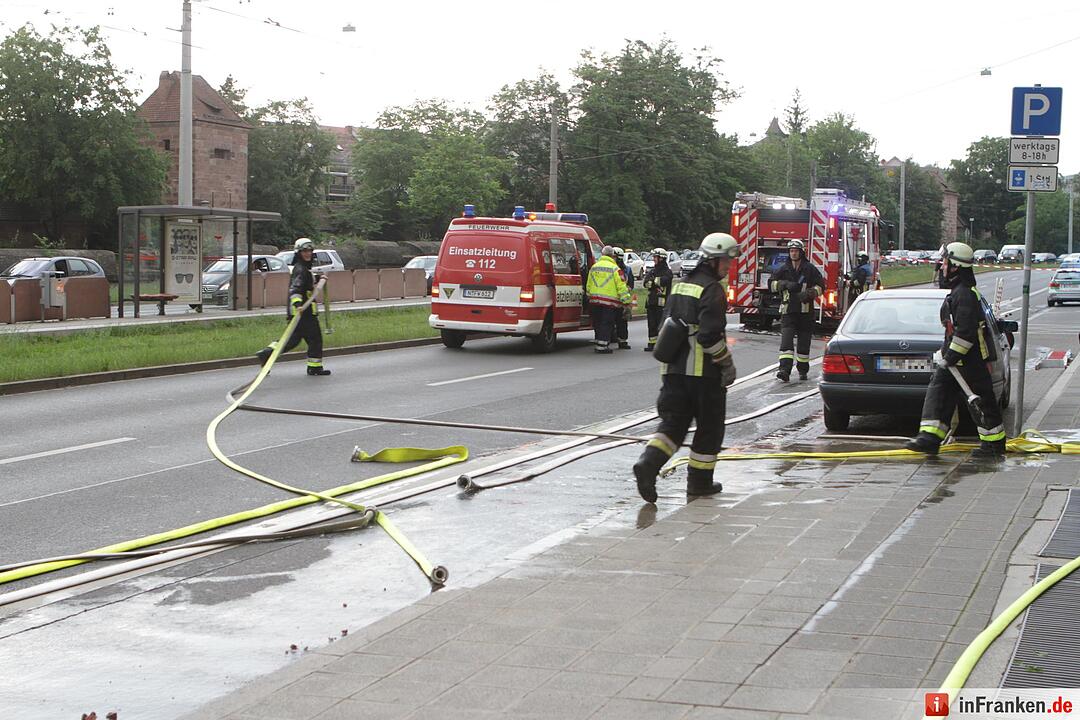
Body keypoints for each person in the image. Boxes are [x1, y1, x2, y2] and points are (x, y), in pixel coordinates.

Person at [632, 232, 739, 503]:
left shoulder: (681, 285)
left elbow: (665, 327)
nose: (727, 268)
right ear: (712, 261)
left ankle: (649, 463)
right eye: (725, 262)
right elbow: (709, 336)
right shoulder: (712, 289)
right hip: (703, 375)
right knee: (709, 428)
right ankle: (700, 483)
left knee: (673, 425)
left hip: (672, 372)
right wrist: (726, 364)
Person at [906, 242, 1005, 457]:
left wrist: (949, 357)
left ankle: (994, 445)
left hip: (971, 360)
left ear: (955, 266)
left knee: (981, 401)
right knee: (939, 392)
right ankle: (930, 438)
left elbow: (966, 333)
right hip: (959, 360)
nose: (941, 267)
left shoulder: (964, 295)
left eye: (944, 262)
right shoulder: (959, 292)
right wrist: (947, 356)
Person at [255, 238, 331, 375]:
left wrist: (319, 279)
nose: (308, 253)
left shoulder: (303, 268)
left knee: (292, 341)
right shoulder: (301, 269)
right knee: (315, 339)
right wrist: (298, 305)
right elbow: (295, 290)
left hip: (302, 313)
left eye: (309, 251)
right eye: (304, 251)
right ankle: (314, 367)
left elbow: (306, 282)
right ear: (298, 253)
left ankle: (267, 353)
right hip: (303, 313)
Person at [769, 239, 824, 382]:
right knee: (786, 343)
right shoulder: (783, 269)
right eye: (791, 251)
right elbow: (771, 284)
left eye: (796, 251)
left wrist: (810, 293)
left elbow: (821, 286)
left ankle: (802, 370)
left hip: (806, 313)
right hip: (788, 311)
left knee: (803, 345)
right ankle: (784, 370)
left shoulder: (809, 268)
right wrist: (784, 284)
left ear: (801, 252)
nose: (793, 253)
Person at [586, 246, 630, 354]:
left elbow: (589, 284)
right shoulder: (616, 269)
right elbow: (622, 287)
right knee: (607, 323)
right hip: (609, 302)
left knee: (598, 322)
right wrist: (626, 302)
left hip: (594, 300)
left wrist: (589, 296)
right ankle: (602, 346)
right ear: (612, 256)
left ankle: (598, 341)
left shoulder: (594, 267)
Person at [642, 247, 673, 351]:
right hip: (651, 302)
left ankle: (662, 344)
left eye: (655, 257)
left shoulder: (668, 272)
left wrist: (654, 281)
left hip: (662, 303)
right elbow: (646, 283)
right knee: (651, 324)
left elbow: (663, 281)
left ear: (661, 258)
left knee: (661, 324)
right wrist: (653, 282)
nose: (654, 259)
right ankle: (652, 343)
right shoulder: (652, 271)